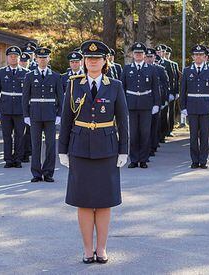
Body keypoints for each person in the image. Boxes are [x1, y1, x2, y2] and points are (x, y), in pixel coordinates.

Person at [58, 40, 129, 264]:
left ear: (105, 61)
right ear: (84, 61)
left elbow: (123, 120)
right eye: (89, 59)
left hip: (107, 149)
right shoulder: (73, 84)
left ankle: (102, 248)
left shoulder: (115, 85)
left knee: (105, 201)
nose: (92, 62)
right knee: (84, 201)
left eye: (97, 58)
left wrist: (123, 150)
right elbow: (67, 119)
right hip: (79, 149)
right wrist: (62, 150)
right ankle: (88, 250)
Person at [22, 47, 63, 182]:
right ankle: (36, 173)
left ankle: (48, 172)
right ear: (36, 59)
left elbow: (61, 97)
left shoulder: (56, 76)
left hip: (50, 114)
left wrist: (59, 114)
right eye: (40, 57)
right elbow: (25, 97)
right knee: (36, 144)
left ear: (48, 59)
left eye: (45, 57)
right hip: (34, 114)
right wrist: (26, 115)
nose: (42, 60)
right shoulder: (29, 76)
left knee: (51, 145)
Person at [180, 45, 209, 169]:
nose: (198, 57)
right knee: (193, 136)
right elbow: (182, 91)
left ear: (205, 57)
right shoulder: (187, 71)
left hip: (206, 107)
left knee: (204, 136)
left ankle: (203, 160)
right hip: (192, 107)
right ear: (193, 57)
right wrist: (183, 107)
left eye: (200, 55)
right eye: (196, 55)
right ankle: (194, 160)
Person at [121, 42, 160, 168]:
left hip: (146, 104)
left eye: (141, 53)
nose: (138, 55)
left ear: (144, 55)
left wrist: (156, 104)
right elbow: (122, 88)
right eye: (136, 53)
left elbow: (155, 88)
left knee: (145, 133)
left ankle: (143, 159)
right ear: (132, 55)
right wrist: (121, 105)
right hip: (131, 104)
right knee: (133, 134)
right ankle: (133, 159)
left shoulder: (151, 69)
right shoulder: (127, 69)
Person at [0, 46, 29, 168]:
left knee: (20, 135)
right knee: (7, 135)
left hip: (21, 109)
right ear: (7, 58)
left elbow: (28, 94)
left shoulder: (26, 73)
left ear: (19, 58)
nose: (13, 58)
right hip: (6, 108)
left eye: (15, 56)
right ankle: (8, 159)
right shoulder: (1, 72)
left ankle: (18, 159)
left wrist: (28, 111)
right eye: (11, 56)